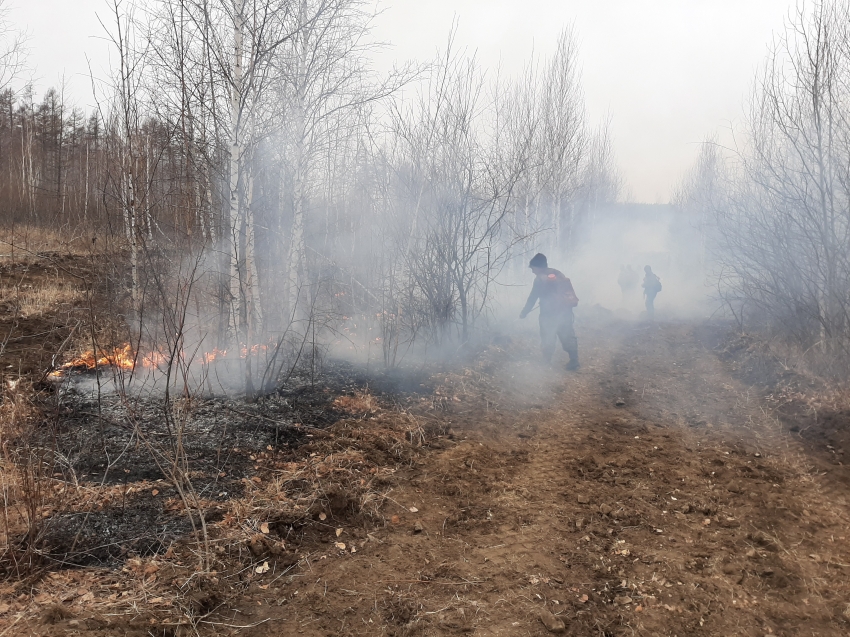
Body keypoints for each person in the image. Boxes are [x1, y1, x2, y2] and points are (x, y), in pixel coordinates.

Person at [519, 253, 580, 370]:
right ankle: (574, 360)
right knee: (567, 335)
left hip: (548, 315)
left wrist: (524, 312)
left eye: (533, 268)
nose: (532, 271)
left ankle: (546, 362)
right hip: (565, 312)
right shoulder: (558, 274)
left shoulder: (539, 279)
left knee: (548, 336)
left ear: (538, 267)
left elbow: (532, 298)